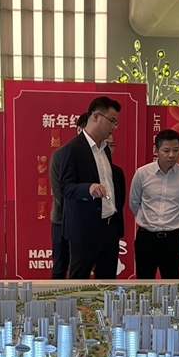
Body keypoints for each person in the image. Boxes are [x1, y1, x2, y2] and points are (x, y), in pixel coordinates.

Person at [59, 96, 125, 279]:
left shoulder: (105, 148)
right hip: (84, 229)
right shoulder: (73, 149)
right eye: (111, 121)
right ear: (96, 117)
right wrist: (88, 188)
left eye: (115, 122)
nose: (114, 127)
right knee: (79, 281)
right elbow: (65, 187)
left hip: (109, 227)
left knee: (107, 281)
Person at [130, 129, 179, 279]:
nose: (171, 155)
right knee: (144, 283)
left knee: (171, 283)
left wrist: (173, 223)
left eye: (176, 150)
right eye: (166, 150)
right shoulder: (142, 173)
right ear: (156, 150)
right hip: (146, 238)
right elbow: (134, 203)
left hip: (172, 239)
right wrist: (147, 220)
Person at [49, 112, 89, 279]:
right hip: (62, 219)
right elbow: (59, 191)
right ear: (78, 130)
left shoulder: (96, 155)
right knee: (60, 266)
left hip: (85, 223)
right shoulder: (60, 154)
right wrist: (76, 214)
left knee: (79, 268)